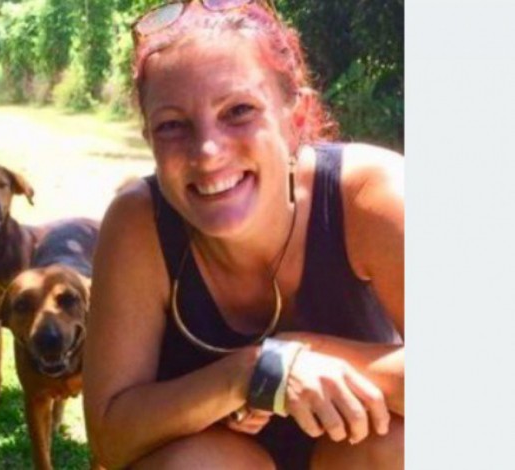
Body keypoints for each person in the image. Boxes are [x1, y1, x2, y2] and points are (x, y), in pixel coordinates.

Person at [83, 1, 404, 468]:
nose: (207, 152)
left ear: (296, 118)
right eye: (172, 126)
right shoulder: (140, 223)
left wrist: (296, 351)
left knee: (396, 444)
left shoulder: (370, 193)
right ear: (149, 139)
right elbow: (110, 438)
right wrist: (249, 373)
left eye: (238, 111)